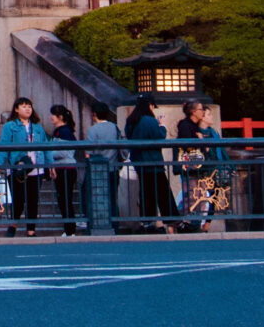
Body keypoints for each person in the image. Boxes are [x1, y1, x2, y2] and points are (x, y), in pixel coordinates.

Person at [126, 100, 179, 232]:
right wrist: (162, 126)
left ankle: (147, 221)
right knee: (163, 192)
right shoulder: (149, 120)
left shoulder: (131, 121)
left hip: (139, 162)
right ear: (149, 106)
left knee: (146, 193)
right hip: (153, 162)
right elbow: (159, 137)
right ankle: (171, 220)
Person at [175, 100, 227, 232]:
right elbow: (188, 146)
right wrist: (200, 141)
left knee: (201, 196)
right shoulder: (185, 125)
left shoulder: (196, 126)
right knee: (191, 195)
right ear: (194, 112)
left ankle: (196, 223)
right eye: (200, 109)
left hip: (199, 167)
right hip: (190, 167)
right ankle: (187, 223)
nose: (202, 112)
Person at [0, 97, 45, 235]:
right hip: (18, 168)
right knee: (17, 199)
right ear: (16, 109)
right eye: (24, 106)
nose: (27, 109)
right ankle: (13, 225)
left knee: (33, 200)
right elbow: (3, 145)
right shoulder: (10, 126)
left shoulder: (37, 127)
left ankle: (31, 230)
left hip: (36, 168)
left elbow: (45, 147)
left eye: (29, 106)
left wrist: (50, 165)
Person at [83, 104, 123, 232]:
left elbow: (88, 151)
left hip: (97, 170)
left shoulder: (93, 130)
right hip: (113, 167)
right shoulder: (115, 128)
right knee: (113, 197)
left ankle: (97, 224)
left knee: (96, 197)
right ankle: (114, 224)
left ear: (94, 114)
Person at [45, 104, 80, 235]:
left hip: (65, 168)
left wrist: (48, 154)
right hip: (64, 168)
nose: (51, 118)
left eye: (53, 115)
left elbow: (66, 152)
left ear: (60, 117)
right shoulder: (64, 130)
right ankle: (69, 229)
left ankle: (70, 230)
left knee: (65, 199)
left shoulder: (63, 131)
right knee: (64, 199)